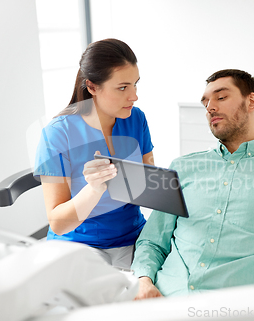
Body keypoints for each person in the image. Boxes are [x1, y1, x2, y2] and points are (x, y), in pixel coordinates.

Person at [131, 69, 254, 299]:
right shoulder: (181, 168)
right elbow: (152, 242)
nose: (210, 107)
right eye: (206, 102)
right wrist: (144, 281)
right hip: (163, 300)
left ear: (251, 102)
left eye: (221, 97)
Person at [33, 38, 154, 269]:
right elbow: (58, 223)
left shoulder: (136, 118)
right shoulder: (58, 134)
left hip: (132, 238)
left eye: (135, 84)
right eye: (122, 88)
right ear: (92, 87)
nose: (134, 96)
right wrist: (94, 189)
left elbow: (147, 184)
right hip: (78, 243)